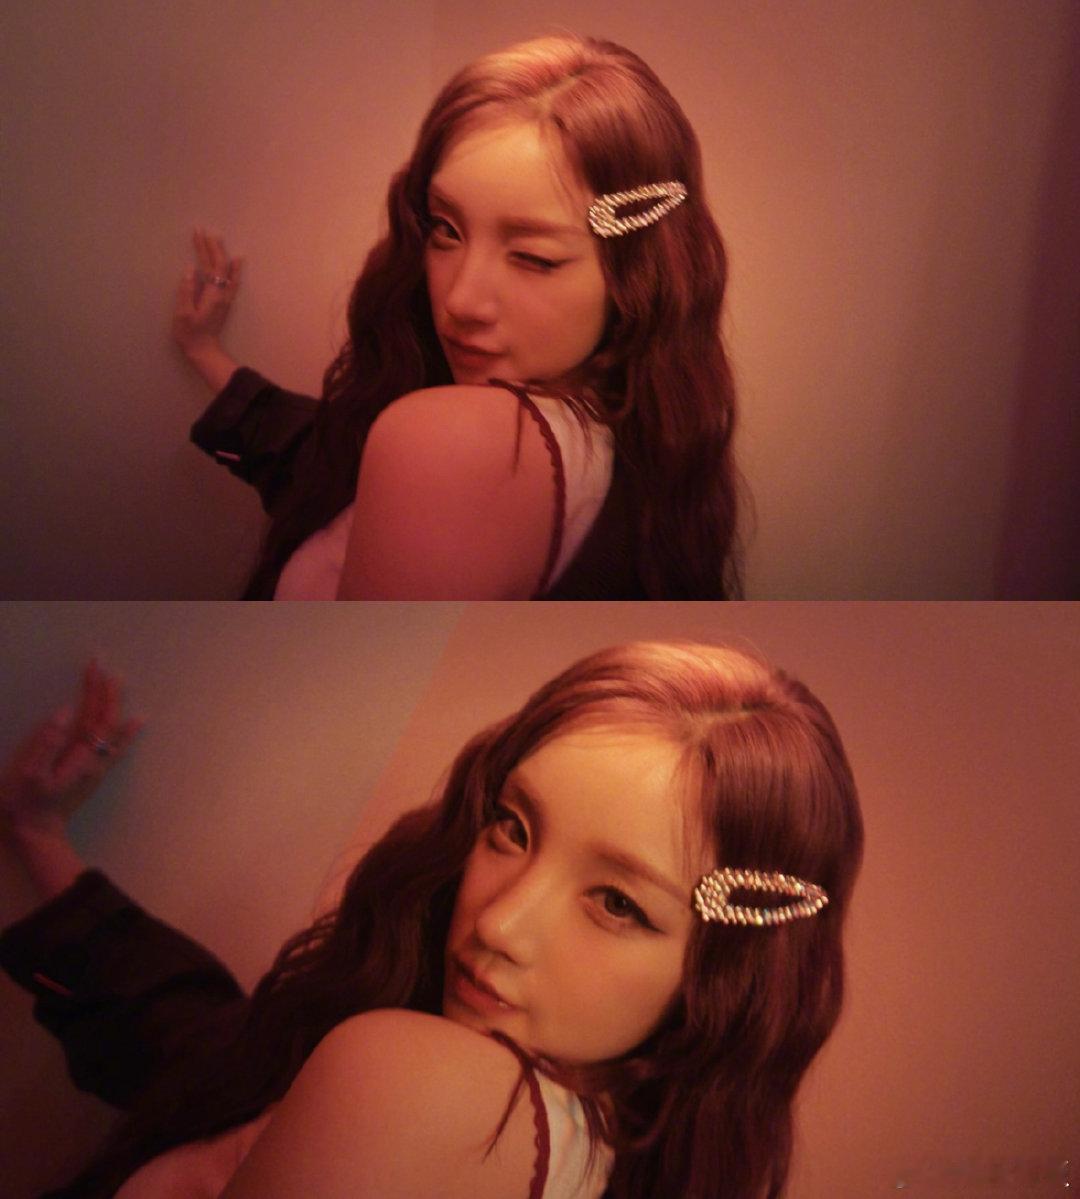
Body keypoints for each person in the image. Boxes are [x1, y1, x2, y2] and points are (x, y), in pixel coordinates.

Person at [1, 645, 862, 1197]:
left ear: (725, 974)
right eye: (513, 827)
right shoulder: (585, 1145)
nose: (499, 924)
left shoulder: (432, 1090)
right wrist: (41, 837)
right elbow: (200, 1037)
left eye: (618, 903)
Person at [172, 34, 743, 600]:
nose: (460, 301)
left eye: (534, 257)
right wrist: (204, 350)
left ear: (638, 275)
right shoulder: (639, 440)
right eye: (446, 229)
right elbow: (315, 456)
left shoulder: (455, 446)